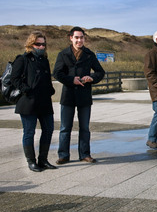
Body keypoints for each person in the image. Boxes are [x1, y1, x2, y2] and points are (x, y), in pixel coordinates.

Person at [53, 27, 105, 164]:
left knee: (85, 127)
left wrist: (91, 78)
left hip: (84, 95)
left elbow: (100, 72)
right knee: (65, 128)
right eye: (76, 37)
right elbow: (57, 73)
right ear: (71, 38)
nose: (79, 40)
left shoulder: (89, 54)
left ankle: (85, 154)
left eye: (81, 37)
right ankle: (63, 155)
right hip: (68, 95)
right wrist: (71, 80)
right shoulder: (63, 54)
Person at [11, 31, 57, 172]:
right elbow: (14, 78)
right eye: (38, 44)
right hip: (28, 102)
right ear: (31, 44)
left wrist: (50, 90)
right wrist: (27, 90)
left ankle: (43, 160)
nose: (41, 46)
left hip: (44, 102)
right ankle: (31, 162)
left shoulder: (45, 60)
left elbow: (47, 79)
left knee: (48, 130)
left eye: (43, 44)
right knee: (29, 132)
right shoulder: (22, 59)